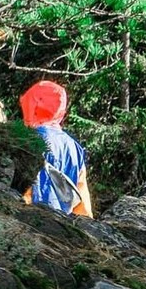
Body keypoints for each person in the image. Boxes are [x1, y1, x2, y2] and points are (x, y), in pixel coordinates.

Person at [20, 80, 94, 217]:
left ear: (32, 105)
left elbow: (24, 187)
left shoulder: (28, 138)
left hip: (29, 219)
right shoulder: (75, 148)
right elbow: (82, 203)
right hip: (60, 224)